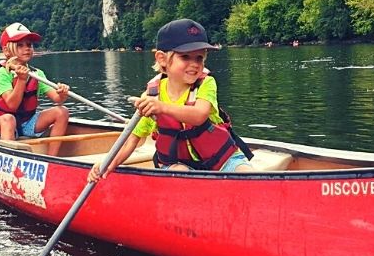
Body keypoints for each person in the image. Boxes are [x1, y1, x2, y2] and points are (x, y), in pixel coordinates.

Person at [89, 18, 252, 182]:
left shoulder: (206, 83)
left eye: (199, 58)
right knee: (181, 173)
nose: (195, 64)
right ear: (162, 59)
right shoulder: (152, 96)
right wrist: (108, 163)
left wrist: (161, 107)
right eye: (185, 57)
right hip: (178, 163)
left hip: (222, 159)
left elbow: (199, 115)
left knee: (246, 174)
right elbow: (132, 140)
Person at [0, 23, 71, 156]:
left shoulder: (36, 73)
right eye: (20, 45)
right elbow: (11, 105)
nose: (27, 49)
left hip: (26, 122)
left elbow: (57, 99)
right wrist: (21, 80)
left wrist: (62, 93)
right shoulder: (2, 73)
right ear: (7, 50)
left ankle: (51, 159)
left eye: (29, 45)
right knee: (8, 119)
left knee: (62, 112)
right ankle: (10, 161)